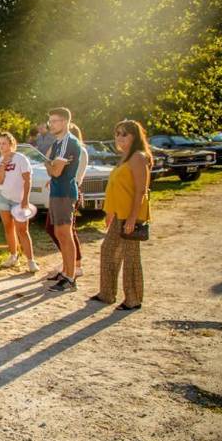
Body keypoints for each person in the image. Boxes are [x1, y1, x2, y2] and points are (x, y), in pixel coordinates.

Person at [90, 120, 152, 310]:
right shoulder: (124, 157)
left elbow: (141, 191)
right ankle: (107, 293)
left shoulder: (138, 157)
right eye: (117, 134)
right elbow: (116, 188)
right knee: (108, 250)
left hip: (132, 214)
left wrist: (133, 219)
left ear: (135, 136)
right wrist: (110, 212)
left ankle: (133, 299)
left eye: (124, 134)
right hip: (119, 213)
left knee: (131, 256)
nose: (119, 138)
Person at [43, 108, 82, 293]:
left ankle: (70, 277)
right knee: (59, 233)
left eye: (55, 121)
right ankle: (66, 271)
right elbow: (48, 163)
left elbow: (55, 171)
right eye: (50, 121)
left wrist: (49, 165)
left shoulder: (68, 142)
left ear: (65, 122)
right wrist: (50, 164)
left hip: (65, 192)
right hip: (56, 191)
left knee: (65, 234)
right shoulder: (58, 142)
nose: (51, 124)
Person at [0, 132, 39, 272]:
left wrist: (25, 199)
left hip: (19, 200)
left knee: (23, 230)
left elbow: (27, 180)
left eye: (4, 143)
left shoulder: (21, 159)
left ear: (11, 144)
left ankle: (31, 261)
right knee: (8, 227)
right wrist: (2, 165)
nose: (1, 146)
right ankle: (13, 256)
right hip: (2, 197)